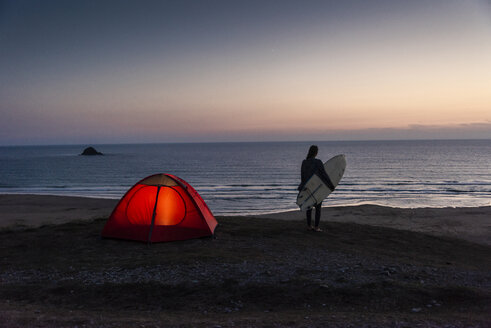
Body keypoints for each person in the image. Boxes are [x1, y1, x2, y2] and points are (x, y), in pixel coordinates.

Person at [298, 145, 335, 232]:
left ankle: (309, 226)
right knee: (318, 208)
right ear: (316, 152)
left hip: (307, 187)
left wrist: (303, 187)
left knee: (309, 206)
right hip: (317, 188)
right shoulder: (318, 162)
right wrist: (331, 185)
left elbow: (302, 176)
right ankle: (316, 227)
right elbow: (324, 175)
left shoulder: (304, 162)